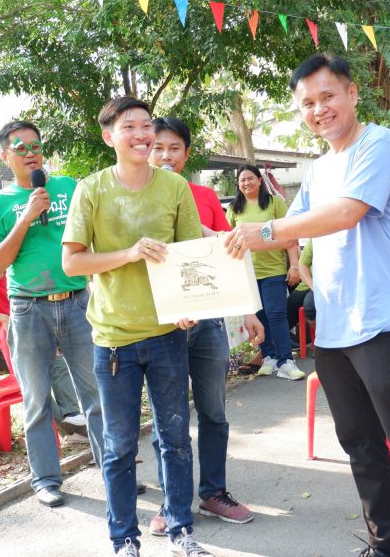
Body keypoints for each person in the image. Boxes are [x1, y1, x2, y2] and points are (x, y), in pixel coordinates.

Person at [224, 54, 390, 557]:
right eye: (308, 103)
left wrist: (265, 230)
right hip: (333, 329)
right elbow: (293, 230)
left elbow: (346, 214)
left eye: (327, 96)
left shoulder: (379, 143)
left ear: (352, 94)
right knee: (361, 447)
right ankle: (385, 546)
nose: (318, 109)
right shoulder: (320, 168)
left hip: (381, 322)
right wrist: (218, 243)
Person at [62, 97, 212, 557]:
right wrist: (128, 254)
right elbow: (72, 263)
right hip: (113, 340)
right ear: (110, 136)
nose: (142, 134)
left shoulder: (175, 188)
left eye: (147, 125)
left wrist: (190, 306)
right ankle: (124, 539)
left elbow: (191, 257)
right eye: (130, 127)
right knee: (120, 446)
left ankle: (181, 530)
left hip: (168, 336)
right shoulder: (91, 190)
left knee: (175, 440)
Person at [0, 120, 103, 509]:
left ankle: (113, 470)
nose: (30, 153)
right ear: (5, 156)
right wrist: (26, 217)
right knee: (37, 400)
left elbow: (95, 236)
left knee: (96, 393)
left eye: (35, 146)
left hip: (78, 302)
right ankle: (46, 479)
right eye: (20, 148)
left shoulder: (68, 187)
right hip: (28, 309)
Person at [146, 116, 262, 533]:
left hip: (209, 320)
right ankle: (171, 501)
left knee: (214, 412)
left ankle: (213, 493)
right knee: (168, 420)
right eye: (158, 147)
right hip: (162, 325)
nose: (165, 155)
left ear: (186, 153)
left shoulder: (205, 195)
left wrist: (248, 310)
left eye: (174, 148)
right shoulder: (136, 197)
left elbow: (229, 251)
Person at [0, 258, 88, 441]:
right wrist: (3, 318)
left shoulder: (18, 269)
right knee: (35, 383)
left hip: (27, 334)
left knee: (57, 360)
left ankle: (72, 416)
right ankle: (72, 431)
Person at [225, 165, 305, 381]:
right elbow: (228, 240)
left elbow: (290, 234)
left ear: (260, 180)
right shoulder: (233, 209)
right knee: (259, 316)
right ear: (238, 184)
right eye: (242, 180)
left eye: (250, 178)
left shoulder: (274, 202)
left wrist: (294, 265)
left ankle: (285, 361)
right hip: (248, 272)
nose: (246, 183)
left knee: (276, 315)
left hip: (273, 270)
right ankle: (269, 356)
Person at [286, 240, 316, 343]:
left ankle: (325, 340)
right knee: (284, 314)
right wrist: (311, 285)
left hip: (328, 285)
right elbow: (303, 263)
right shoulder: (314, 240)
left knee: (310, 306)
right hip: (308, 284)